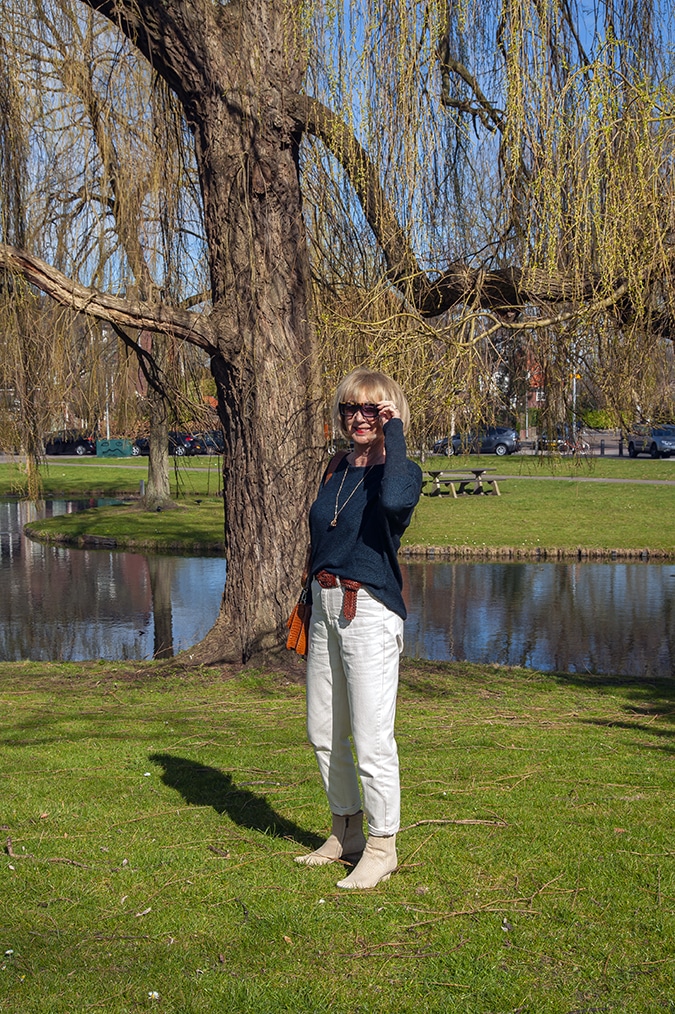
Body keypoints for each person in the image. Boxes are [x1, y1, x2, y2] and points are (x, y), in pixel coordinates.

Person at [295, 367, 422, 889]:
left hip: (367, 610)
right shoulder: (336, 468)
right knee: (324, 730)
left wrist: (394, 435)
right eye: (350, 408)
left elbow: (392, 505)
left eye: (372, 410)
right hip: (324, 605)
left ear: (389, 415)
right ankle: (344, 830)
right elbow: (322, 535)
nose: (358, 418)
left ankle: (382, 845)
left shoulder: (402, 471)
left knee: (371, 737)